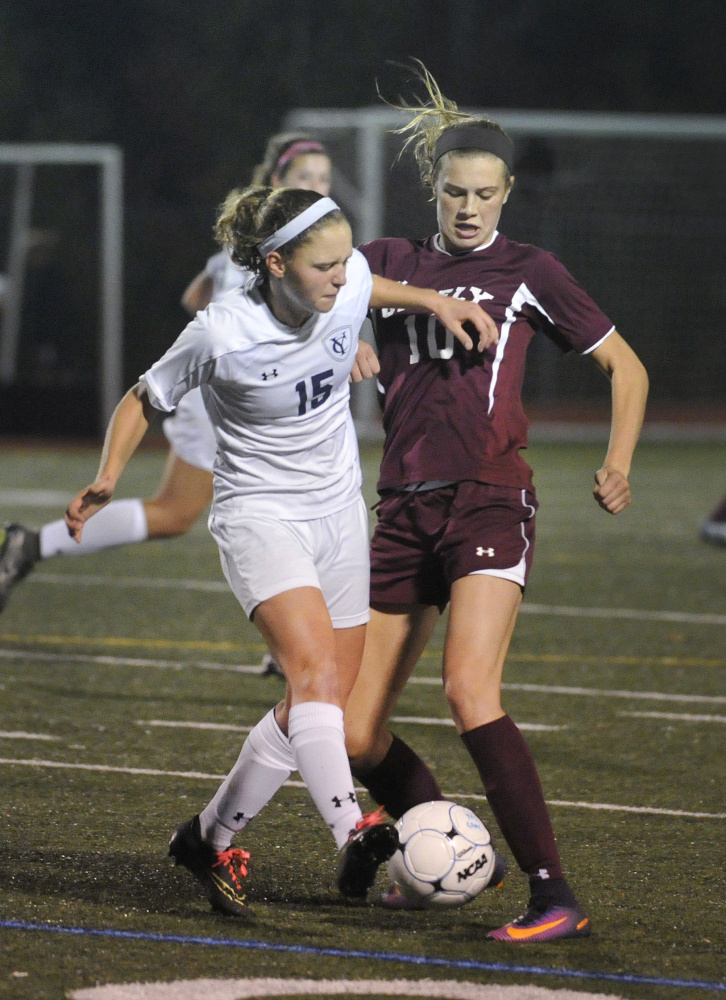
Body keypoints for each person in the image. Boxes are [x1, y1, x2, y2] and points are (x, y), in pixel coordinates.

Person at [64, 185, 498, 918]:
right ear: (274, 264)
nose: (343, 275)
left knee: (315, 700)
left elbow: (370, 280)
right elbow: (144, 396)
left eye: (344, 262)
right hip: (260, 518)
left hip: (337, 517)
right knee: (315, 674)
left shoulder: (348, 281)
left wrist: (430, 301)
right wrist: (108, 475)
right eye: (324, 265)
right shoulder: (221, 330)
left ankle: (207, 838)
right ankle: (354, 829)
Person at [338, 66, 649, 943]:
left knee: (469, 690)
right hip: (400, 507)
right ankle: (453, 843)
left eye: (484, 193)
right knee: (357, 735)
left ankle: (556, 895)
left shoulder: (529, 270)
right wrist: (385, 309)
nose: (468, 208)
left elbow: (627, 366)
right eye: (453, 192)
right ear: (430, 190)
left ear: (507, 192)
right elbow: (313, 285)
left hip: (488, 499)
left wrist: (617, 460)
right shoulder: (390, 262)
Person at [0, 133, 333, 621]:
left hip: (256, 394)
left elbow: (194, 294)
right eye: (306, 178)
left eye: (324, 179)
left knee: (204, 512)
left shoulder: (268, 240)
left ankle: (29, 545)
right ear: (278, 183)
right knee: (280, 506)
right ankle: (300, 635)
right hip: (232, 398)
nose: (318, 188)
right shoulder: (269, 248)